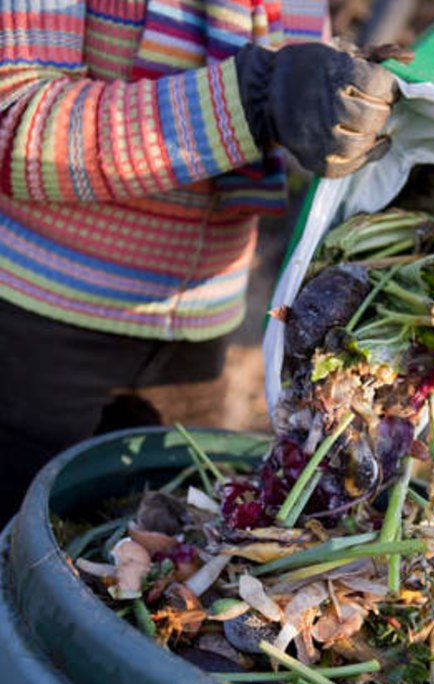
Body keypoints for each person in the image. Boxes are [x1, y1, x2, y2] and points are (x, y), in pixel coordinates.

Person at [0, 0, 396, 527]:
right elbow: (15, 124)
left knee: (149, 565)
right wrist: (254, 98)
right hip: (40, 332)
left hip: (199, 342)